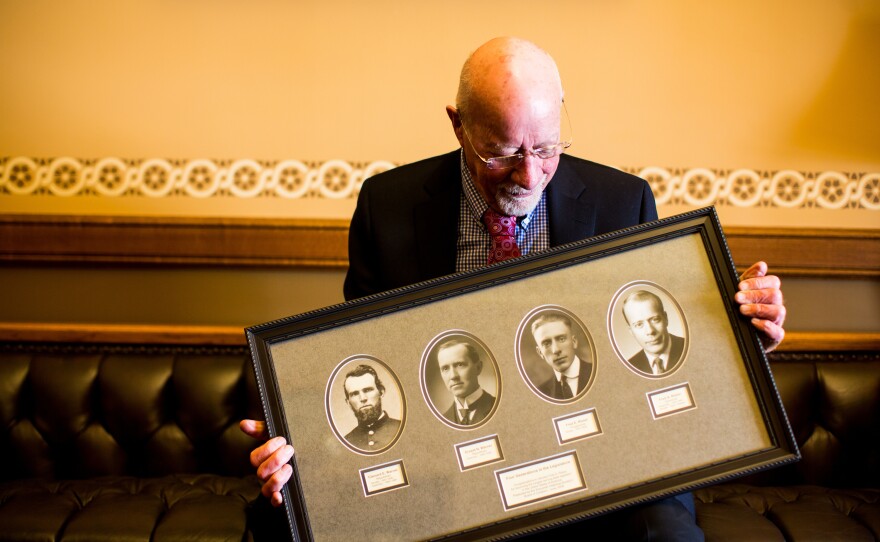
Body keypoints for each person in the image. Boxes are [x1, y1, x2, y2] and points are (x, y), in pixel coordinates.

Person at [240, 36, 786, 540]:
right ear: (458, 125)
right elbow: (361, 357)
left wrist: (740, 335)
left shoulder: (624, 202)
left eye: (546, 148)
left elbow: (653, 355)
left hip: (604, 453)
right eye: (501, 153)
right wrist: (300, 437)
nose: (528, 175)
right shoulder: (389, 208)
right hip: (451, 459)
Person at [338, 364, 401, 451]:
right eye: (355, 394)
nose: (363, 398)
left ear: (381, 392)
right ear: (348, 403)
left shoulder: (401, 428)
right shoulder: (346, 443)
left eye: (367, 390)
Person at [621, 290, 685, 375]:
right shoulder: (629, 368)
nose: (650, 331)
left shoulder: (690, 348)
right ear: (631, 331)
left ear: (665, 319)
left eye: (655, 320)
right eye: (639, 324)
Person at [434, 338, 496, 425]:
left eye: (460, 365)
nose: (453, 376)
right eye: (445, 368)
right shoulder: (441, 423)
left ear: (478, 367)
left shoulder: (499, 407)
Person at [530, 313, 592, 399]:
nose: (556, 350)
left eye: (561, 339)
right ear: (540, 352)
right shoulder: (541, 393)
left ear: (574, 342)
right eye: (546, 343)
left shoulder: (599, 373)